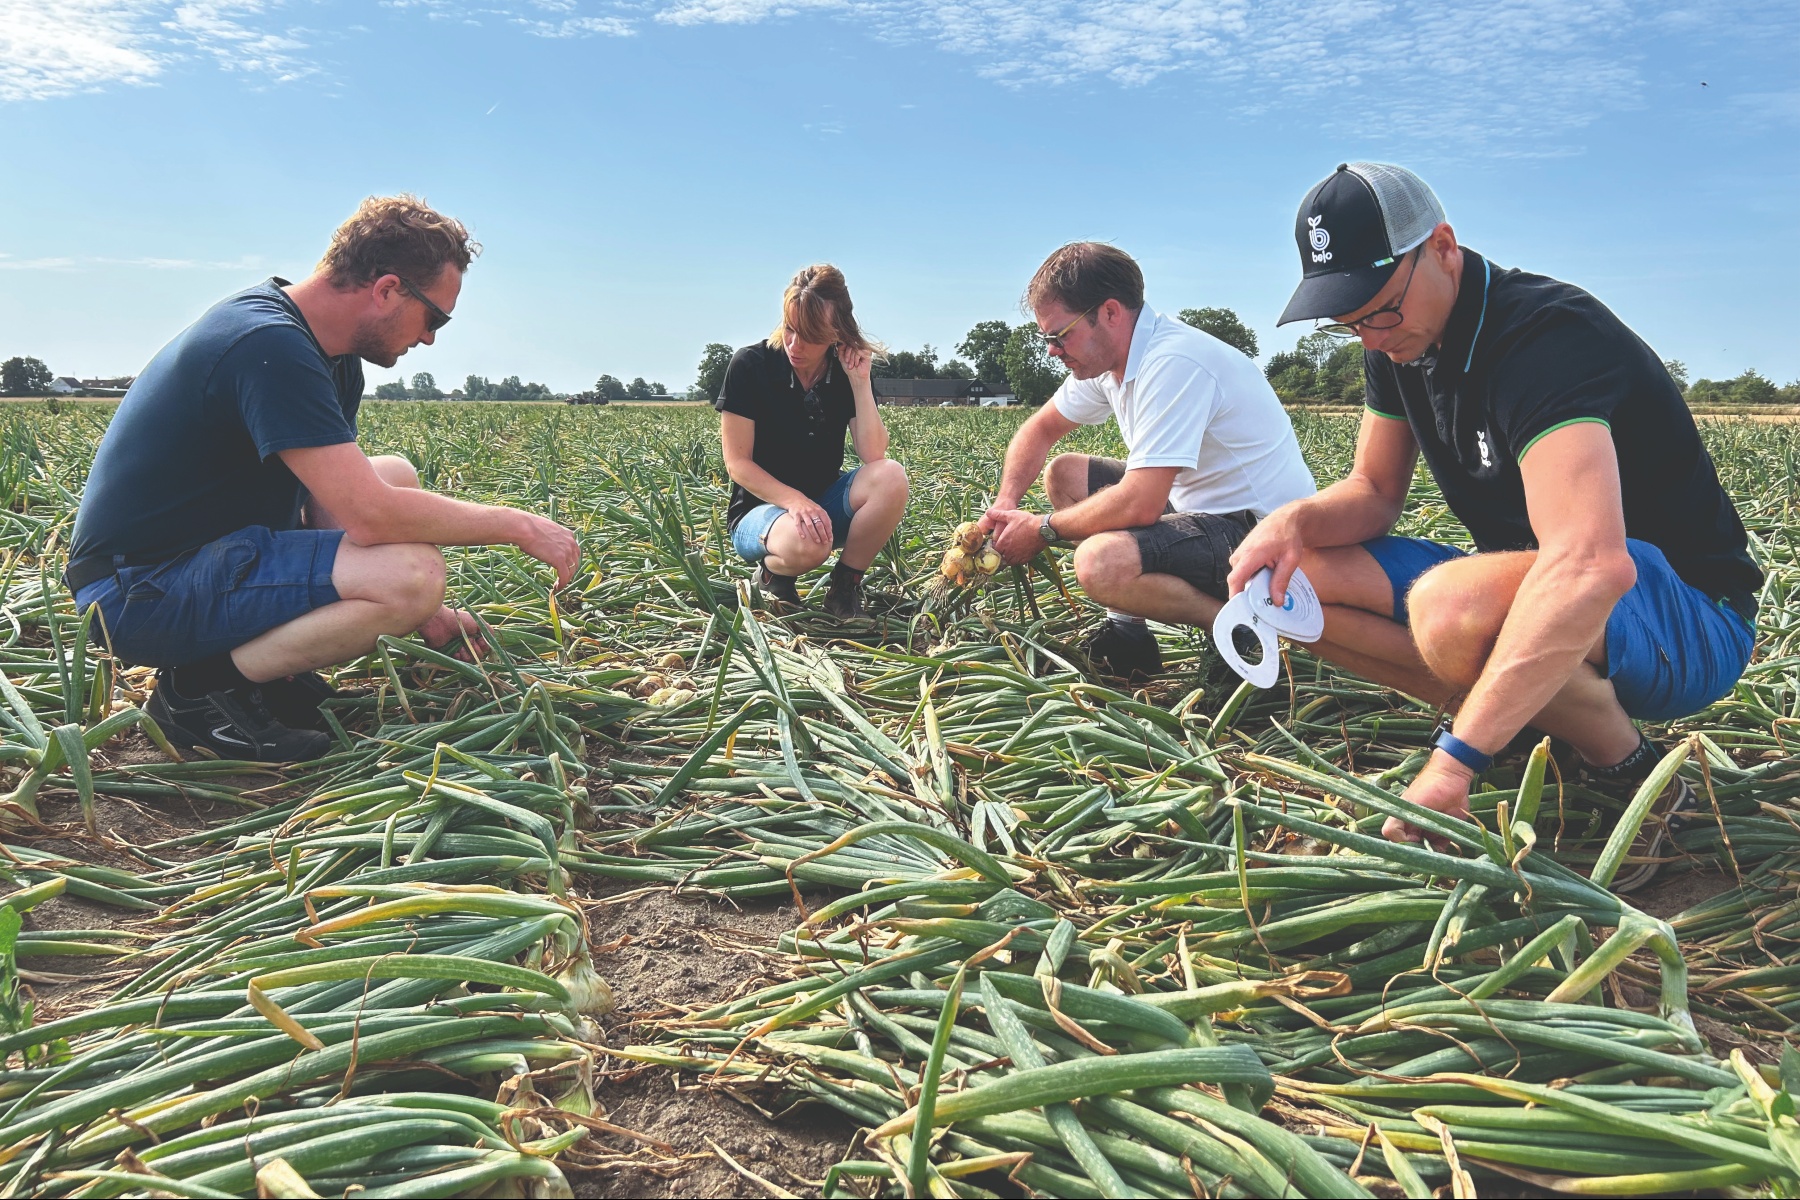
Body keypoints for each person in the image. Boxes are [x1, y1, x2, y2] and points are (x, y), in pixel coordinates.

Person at [1230, 161, 1761, 890]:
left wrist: (1454, 763)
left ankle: (1635, 775)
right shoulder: (1399, 340)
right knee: (1300, 580)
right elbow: (1374, 490)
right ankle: (1527, 719)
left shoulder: (1544, 339)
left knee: (1450, 609)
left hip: (1691, 614)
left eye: (1381, 309)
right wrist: (1293, 522)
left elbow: (1591, 566)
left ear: (1442, 246)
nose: (1372, 337)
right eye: (1350, 321)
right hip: (1559, 590)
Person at [65, 195, 580, 763]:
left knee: (393, 475)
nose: (431, 338)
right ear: (387, 289)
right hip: (139, 592)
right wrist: (518, 526)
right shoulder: (268, 344)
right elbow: (367, 516)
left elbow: (329, 502)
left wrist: (430, 618)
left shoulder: (325, 351)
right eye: (435, 317)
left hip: (204, 558)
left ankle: (262, 671)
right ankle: (200, 691)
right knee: (410, 575)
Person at [980, 242, 1315, 680]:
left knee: (1098, 563)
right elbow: (1039, 430)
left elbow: (1140, 502)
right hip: (1197, 508)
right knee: (1064, 474)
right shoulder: (1108, 363)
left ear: (1111, 313)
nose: (1052, 350)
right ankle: (1129, 638)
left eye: (1060, 335)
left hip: (1261, 534)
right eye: (1046, 338)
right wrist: (1005, 507)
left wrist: (1043, 529)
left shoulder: (1173, 362)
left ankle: (1244, 632)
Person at [715, 264, 909, 619]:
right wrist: (795, 501)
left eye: (810, 335)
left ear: (837, 333)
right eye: (790, 328)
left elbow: (873, 454)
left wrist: (860, 382)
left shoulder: (843, 371)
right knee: (810, 542)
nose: (795, 344)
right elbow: (737, 463)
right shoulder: (751, 365)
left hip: (821, 505)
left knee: (892, 476)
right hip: (760, 514)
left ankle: (844, 587)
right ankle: (773, 575)